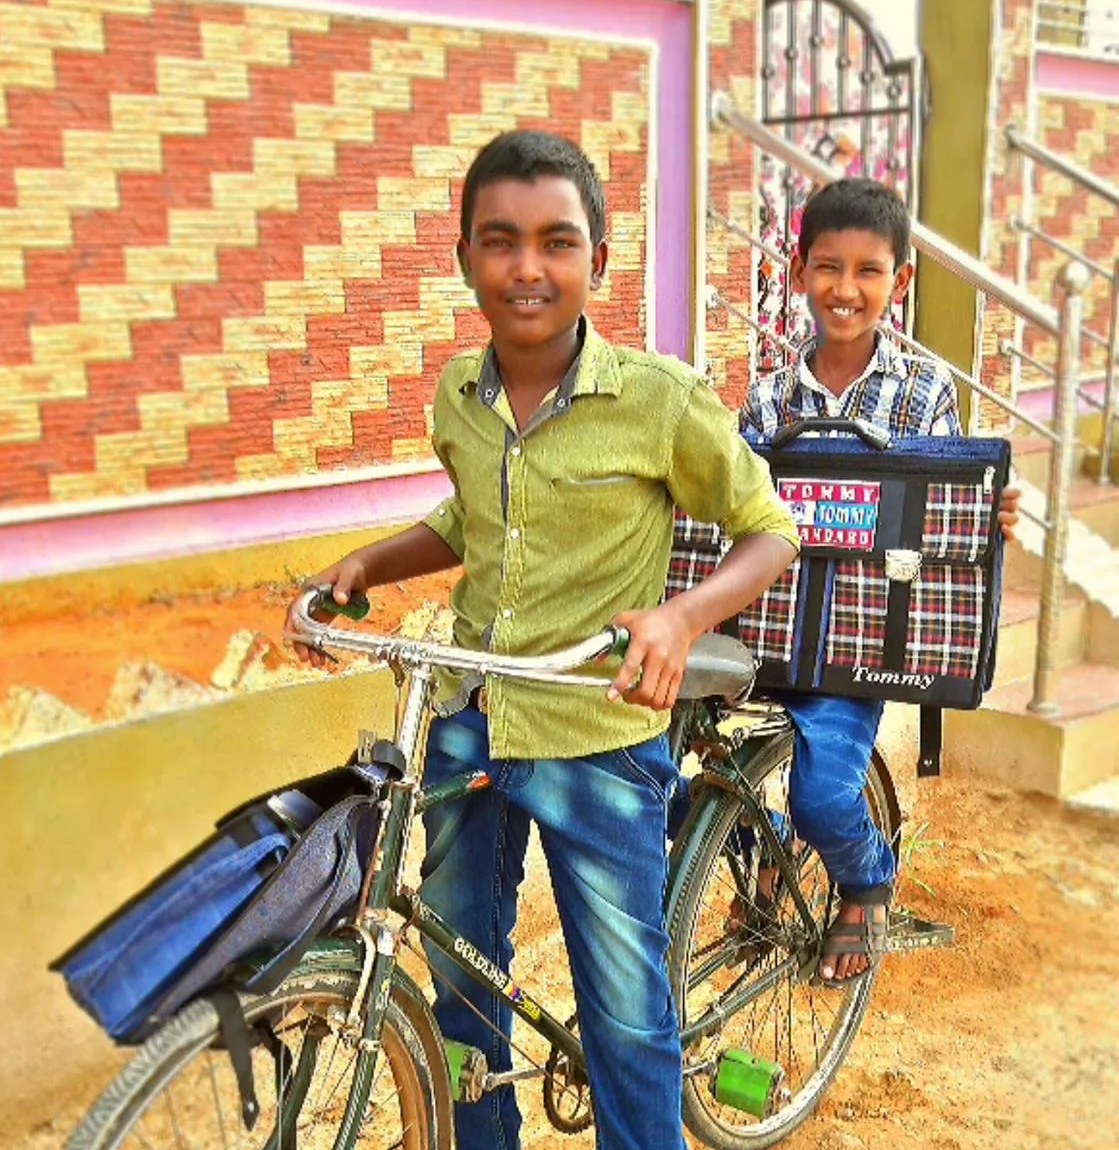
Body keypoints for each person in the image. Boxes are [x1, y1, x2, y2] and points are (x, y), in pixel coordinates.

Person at [288, 130, 800, 1150]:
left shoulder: (656, 400)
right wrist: (363, 565)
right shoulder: (457, 398)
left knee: (623, 1009)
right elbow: (467, 521)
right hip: (470, 721)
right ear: (465, 258)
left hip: (598, 735)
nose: (528, 267)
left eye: (556, 241)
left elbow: (769, 528)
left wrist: (681, 614)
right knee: (458, 979)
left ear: (597, 261)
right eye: (500, 241)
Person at [673, 177, 1021, 988]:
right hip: (763, 632)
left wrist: (986, 513)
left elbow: (947, 510)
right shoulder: (766, 395)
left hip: (857, 647)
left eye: (868, 271)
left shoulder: (927, 394)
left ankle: (865, 879)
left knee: (826, 798)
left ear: (898, 283)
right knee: (667, 779)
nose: (845, 288)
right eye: (827, 266)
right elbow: (728, 499)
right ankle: (769, 856)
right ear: (796, 272)